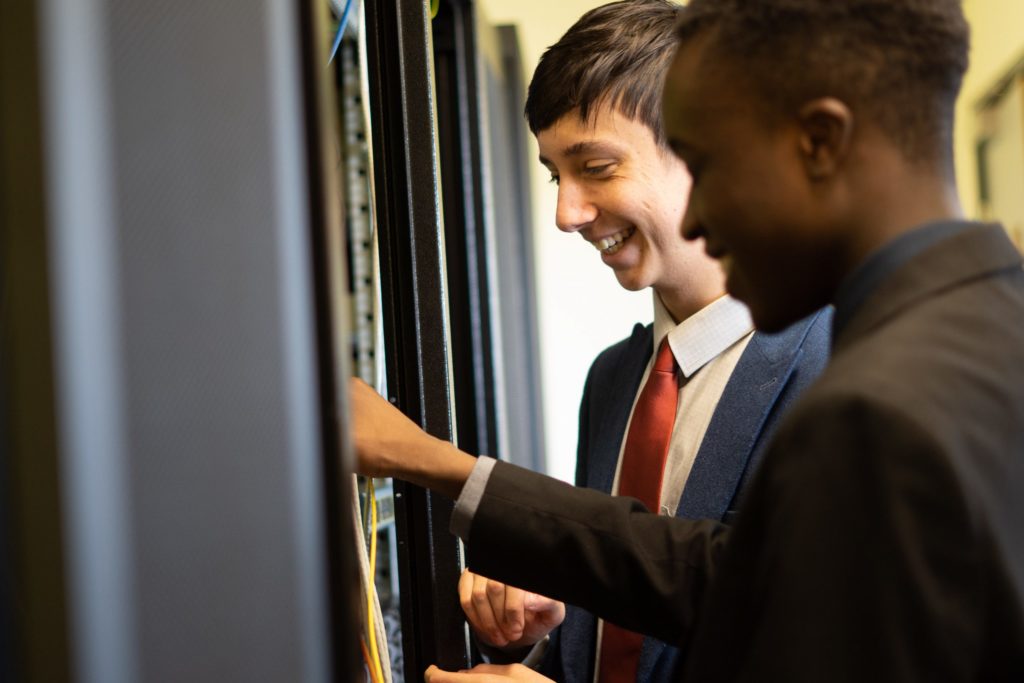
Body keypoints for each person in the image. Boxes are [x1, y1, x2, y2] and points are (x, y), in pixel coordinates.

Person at [352, 0, 1024, 680]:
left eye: (715, 161)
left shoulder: (884, 392)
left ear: (818, 143)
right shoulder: (967, 336)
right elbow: (713, 578)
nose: (701, 215)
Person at [458, 2, 830, 682]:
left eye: (595, 166)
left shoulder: (837, 365)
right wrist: (533, 631)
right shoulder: (613, 382)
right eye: (554, 174)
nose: (566, 214)